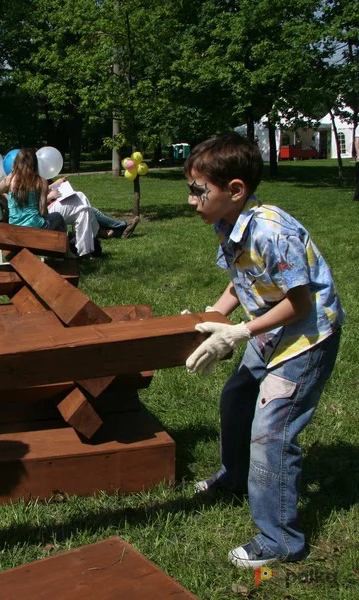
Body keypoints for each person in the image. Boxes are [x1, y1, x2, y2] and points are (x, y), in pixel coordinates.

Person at [183, 132, 344, 569]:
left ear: (235, 190)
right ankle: (236, 478)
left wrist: (238, 333)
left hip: (306, 338)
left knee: (272, 433)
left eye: (200, 191)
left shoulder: (271, 230)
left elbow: (300, 302)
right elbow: (243, 278)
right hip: (270, 331)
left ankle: (280, 540)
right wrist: (218, 311)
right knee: (237, 399)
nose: (192, 200)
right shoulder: (228, 224)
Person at [46, 176, 140, 258]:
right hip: (47, 211)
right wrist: (50, 196)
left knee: (85, 207)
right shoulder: (34, 177)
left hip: (51, 205)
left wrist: (55, 185)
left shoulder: (38, 174)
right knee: (84, 206)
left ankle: (107, 232)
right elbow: (34, 203)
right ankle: (116, 228)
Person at [0, 148, 66, 234]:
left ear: (16, 162)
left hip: (14, 229)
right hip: (36, 228)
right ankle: (63, 245)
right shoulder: (41, 181)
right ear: (35, 164)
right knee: (57, 217)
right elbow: (42, 212)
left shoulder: (11, 179)